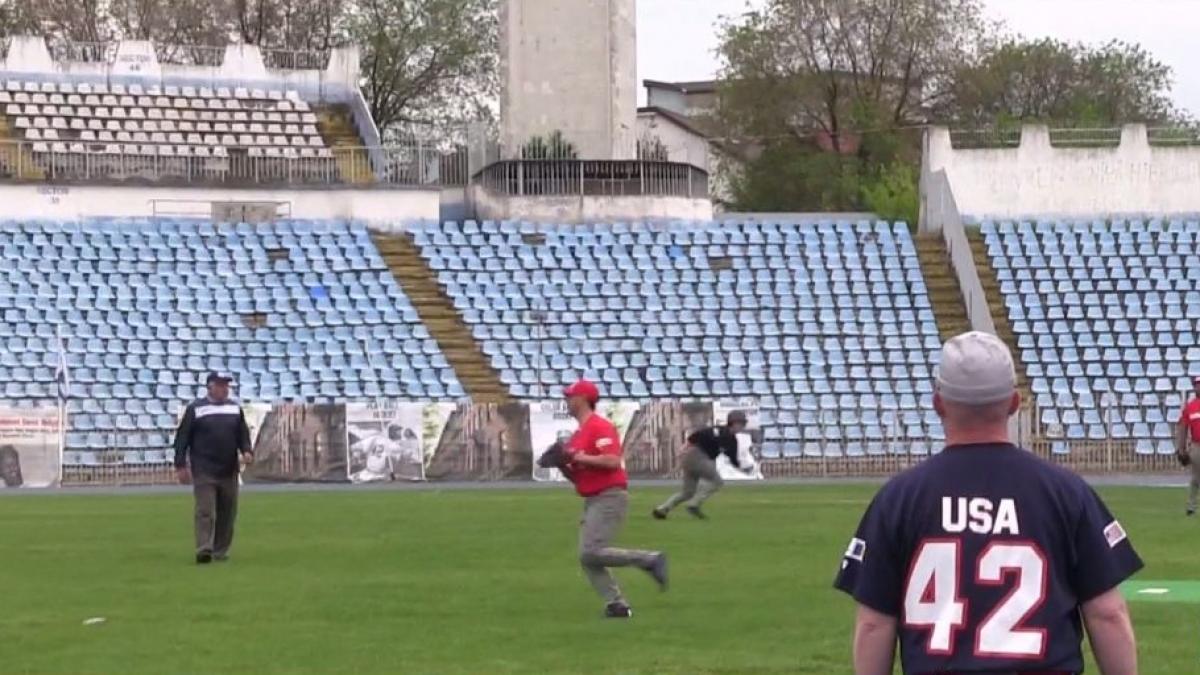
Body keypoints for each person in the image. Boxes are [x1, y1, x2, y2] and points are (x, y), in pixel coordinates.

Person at [834, 331, 1141, 675]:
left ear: (938, 404)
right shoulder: (1065, 492)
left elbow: (874, 624)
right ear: (1014, 403)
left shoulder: (899, 498)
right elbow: (1107, 614)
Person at [560, 379, 668, 618]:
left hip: (609, 495)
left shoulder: (600, 426)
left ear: (582, 399)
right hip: (593, 496)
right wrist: (563, 465)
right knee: (588, 556)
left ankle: (649, 560)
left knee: (590, 552)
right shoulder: (580, 433)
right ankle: (616, 605)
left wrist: (579, 458)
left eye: (569, 396)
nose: (566, 400)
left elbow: (611, 460)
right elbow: (581, 478)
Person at [173, 372, 254, 565]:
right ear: (210, 386)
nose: (224, 389)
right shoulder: (196, 409)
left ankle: (220, 549)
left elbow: (242, 433)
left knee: (228, 512)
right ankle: (204, 548)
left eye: (226, 385)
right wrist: (180, 465)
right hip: (204, 469)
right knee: (205, 510)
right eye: (220, 385)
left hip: (228, 469)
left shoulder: (235, 409)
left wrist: (246, 450)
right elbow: (182, 439)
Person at [653, 410, 749, 520]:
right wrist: (685, 447)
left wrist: (742, 467)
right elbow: (698, 435)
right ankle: (693, 504)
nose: (742, 427)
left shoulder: (732, 440)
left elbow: (732, 458)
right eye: (741, 424)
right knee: (717, 481)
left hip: (693, 458)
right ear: (734, 422)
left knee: (687, 492)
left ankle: (662, 509)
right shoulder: (720, 431)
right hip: (697, 456)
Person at [1175, 375, 1200, 515]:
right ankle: (1191, 506)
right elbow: (1183, 428)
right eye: (1197, 385)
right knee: (1196, 477)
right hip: (1197, 445)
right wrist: (1181, 448)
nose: (1199, 387)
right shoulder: (1190, 407)